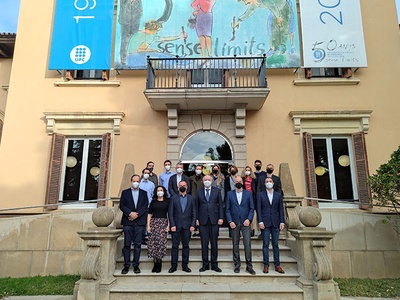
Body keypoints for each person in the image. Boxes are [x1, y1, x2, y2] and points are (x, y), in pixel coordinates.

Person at [226, 176, 256, 275]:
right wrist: (230, 221)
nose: (238, 183)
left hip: (245, 222)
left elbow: (252, 208)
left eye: (240, 181)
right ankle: (237, 265)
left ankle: (249, 266)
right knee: (235, 244)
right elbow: (228, 209)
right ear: (234, 183)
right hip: (234, 223)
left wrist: (249, 219)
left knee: (247, 244)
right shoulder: (229, 194)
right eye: (236, 181)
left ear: (242, 182)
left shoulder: (248, 194)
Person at [119, 174, 149, 274]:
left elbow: (145, 206)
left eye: (137, 181)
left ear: (139, 182)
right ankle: (126, 265)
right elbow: (122, 205)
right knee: (127, 244)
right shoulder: (125, 192)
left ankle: (136, 265)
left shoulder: (144, 193)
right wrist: (130, 213)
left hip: (139, 222)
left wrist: (137, 214)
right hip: (128, 222)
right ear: (131, 181)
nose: (136, 183)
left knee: (138, 244)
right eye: (134, 181)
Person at [195, 175, 224, 272]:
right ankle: (205, 264)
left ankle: (214, 264)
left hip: (214, 220)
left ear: (212, 181)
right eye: (205, 180)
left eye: (209, 180)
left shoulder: (217, 191)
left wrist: (221, 217)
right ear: (202, 181)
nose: (207, 181)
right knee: (204, 243)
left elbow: (220, 205)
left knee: (214, 243)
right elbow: (196, 206)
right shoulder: (198, 191)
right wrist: (196, 219)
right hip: (202, 221)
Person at [257, 177, 285, 274]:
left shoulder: (278, 195)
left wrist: (282, 222)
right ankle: (266, 264)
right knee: (265, 244)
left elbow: (281, 209)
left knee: (275, 244)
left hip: (276, 222)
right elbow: (259, 209)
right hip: (265, 222)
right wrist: (260, 221)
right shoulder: (260, 195)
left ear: (273, 183)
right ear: (264, 184)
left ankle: (277, 265)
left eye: (270, 181)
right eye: (267, 182)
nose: (269, 183)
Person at [168, 180, 196, 273]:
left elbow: (194, 213)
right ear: (178, 187)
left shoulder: (191, 198)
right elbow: (170, 213)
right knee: (175, 246)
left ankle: (185, 265)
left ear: (187, 187)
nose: (182, 187)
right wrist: (172, 224)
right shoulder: (173, 198)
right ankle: (173, 266)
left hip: (187, 227)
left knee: (186, 246)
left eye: (184, 185)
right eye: (181, 185)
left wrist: (193, 225)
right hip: (176, 226)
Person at [147, 185, 170, 273]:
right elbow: (149, 213)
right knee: (153, 243)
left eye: (161, 190)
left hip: (163, 223)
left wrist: (168, 225)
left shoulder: (167, 201)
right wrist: (148, 225)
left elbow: (169, 214)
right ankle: (155, 262)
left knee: (161, 243)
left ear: (164, 192)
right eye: (158, 190)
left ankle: (159, 262)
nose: (160, 192)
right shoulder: (153, 202)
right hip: (154, 223)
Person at [241, 165, 258, 236]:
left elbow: (256, 189)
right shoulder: (242, 179)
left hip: (252, 197)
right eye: (246, 170)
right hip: (245, 197)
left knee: (252, 213)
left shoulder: (254, 179)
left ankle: (252, 229)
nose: (248, 171)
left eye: (249, 170)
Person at [189, 164, 204, 237]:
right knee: (193, 214)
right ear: (195, 170)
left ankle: (200, 230)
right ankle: (194, 229)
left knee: (200, 214)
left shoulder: (203, 179)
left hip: (201, 199)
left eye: (199, 169)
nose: (198, 170)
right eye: (197, 169)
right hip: (192, 198)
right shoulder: (191, 178)